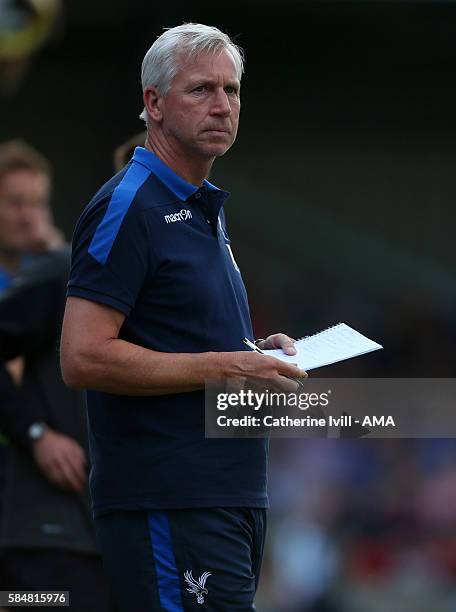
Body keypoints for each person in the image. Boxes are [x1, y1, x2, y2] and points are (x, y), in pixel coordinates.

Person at [61, 23, 307, 611]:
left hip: (226, 493)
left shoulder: (199, 208)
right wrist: (227, 364)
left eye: (232, 90)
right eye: (201, 90)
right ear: (154, 103)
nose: (222, 105)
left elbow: (178, 338)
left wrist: (254, 350)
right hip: (171, 499)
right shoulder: (130, 205)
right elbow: (83, 355)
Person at [0, 140, 116, 611]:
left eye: (38, 203)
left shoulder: (57, 279)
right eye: (14, 203)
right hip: (33, 517)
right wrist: (34, 432)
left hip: (45, 506)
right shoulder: (47, 284)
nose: (29, 216)